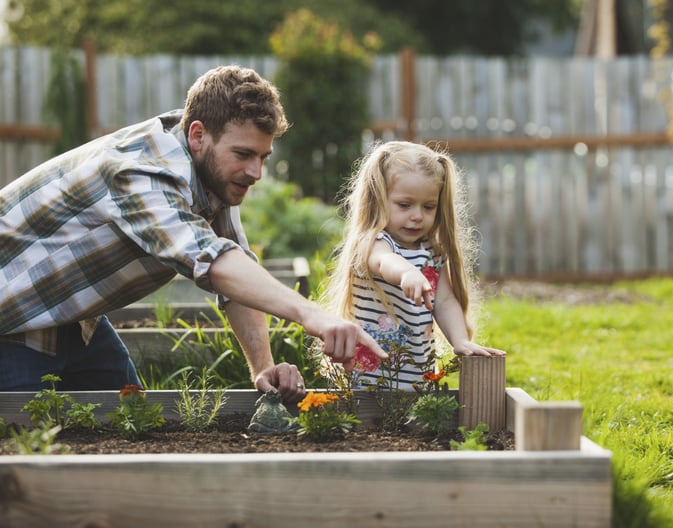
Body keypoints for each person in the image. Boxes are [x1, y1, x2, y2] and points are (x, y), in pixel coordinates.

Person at [0, 65, 386, 399]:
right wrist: (312, 315)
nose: (256, 173)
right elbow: (211, 261)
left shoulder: (204, 168)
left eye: (263, 157)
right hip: (12, 321)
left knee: (134, 425)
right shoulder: (138, 174)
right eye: (244, 155)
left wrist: (262, 366)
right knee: (25, 452)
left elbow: (235, 269)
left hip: (71, 319)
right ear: (199, 135)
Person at [321, 141, 505, 390]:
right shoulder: (374, 243)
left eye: (428, 206)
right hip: (366, 382)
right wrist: (407, 272)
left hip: (416, 378)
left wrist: (460, 341)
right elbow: (384, 262)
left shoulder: (432, 252)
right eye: (404, 205)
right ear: (378, 200)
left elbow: (445, 302)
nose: (417, 215)